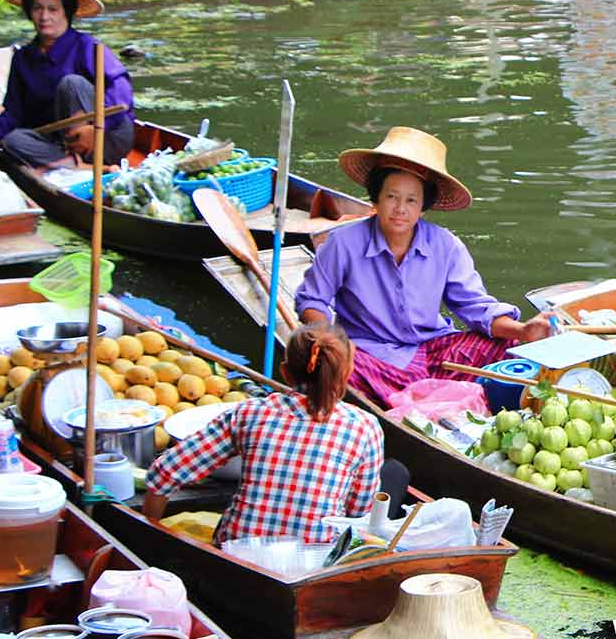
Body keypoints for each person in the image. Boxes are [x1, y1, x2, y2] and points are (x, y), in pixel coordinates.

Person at [294, 126, 553, 409]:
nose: (400, 209)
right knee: (330, 364)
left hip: (433, 349)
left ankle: (417, 395)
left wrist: (522, 330)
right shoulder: (343, 243)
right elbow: (312, 299)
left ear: (423, 207)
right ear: (376, 198)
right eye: (391, 196)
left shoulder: (445, 245)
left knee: (508, 350)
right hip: (369, 355)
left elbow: (476, 307)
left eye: (411, 200)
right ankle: (431, 396)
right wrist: (332, 339)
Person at [142, 323, 384, 544]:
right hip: (315, 560)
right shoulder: (365, 426)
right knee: (394, 475)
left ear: (285, 372)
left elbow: (164, 474)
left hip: (236, 554)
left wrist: (149, 540)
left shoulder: (249, 413)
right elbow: (359, 510)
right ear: (346, 374)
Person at [0, 0, 134, 170]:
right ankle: (83, 168)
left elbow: (122, 92)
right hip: (65, 143)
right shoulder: (23, 58)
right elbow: (13, 114)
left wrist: (94, 128)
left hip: (107, 136)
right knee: (13, 140)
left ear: (66, 12)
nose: (44, 17)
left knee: (71, 84)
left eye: (53, 9)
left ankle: (81, 162)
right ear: (29, 11)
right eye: (37, 8)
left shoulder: (87, 46)